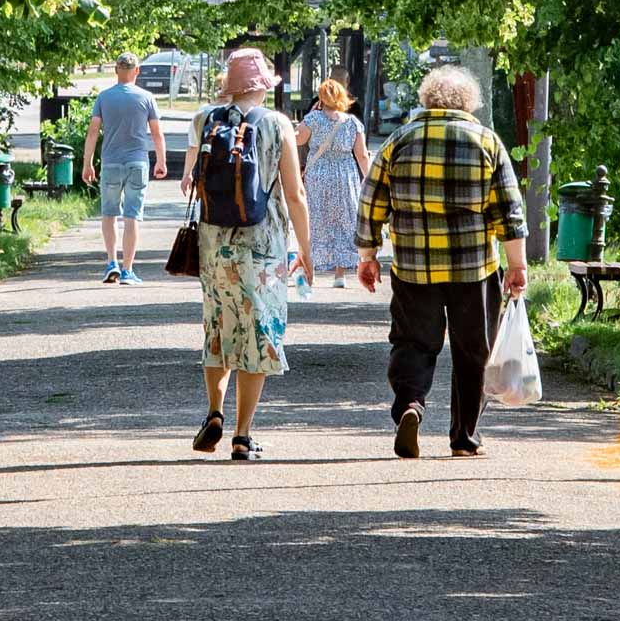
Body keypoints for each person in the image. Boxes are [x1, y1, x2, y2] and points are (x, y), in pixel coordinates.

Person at [355, 65, 528, 458]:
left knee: (412, 342)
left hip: (413, 265)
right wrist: (517, 264)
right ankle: (464, 438)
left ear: (426, 99)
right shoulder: (486, 141)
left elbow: (371, 202)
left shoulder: (400, 141)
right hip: (474, 267)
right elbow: (509, 210)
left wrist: (368, 254)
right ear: (469, 102)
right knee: (473, 350)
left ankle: (410, 406)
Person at [178, 48, 314, 460]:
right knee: (259, 334)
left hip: (213, 243)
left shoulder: (204, 120)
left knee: (218, 328)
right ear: (263, 87)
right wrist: (305, 251)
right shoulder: (277, 125)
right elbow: (295, 193)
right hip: (263, 245)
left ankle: (214, 413)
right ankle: (242, 434)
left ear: (229, 86)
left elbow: (193, 182)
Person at [83, 52, 168, 285]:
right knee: (132, 216)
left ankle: (111, 263)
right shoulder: (147, 98)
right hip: (138, 162)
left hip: (111, 162)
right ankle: (128, 270)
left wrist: (87, 163)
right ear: (137, 71)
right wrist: (161, 161)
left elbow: (93, 132)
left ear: (116, 70)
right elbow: (157, 133)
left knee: (109, 213)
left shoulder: (104, 97)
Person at [294, 79, 373, 287]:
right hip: (345, 174)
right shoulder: (353, 123)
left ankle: (307, 270)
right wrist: (369, 179)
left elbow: (297, 140)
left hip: (318, 175)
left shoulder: (313, 119)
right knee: (344, 220)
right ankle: (340, 275)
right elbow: (362, 155)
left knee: (315, 218)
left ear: (321, 98)